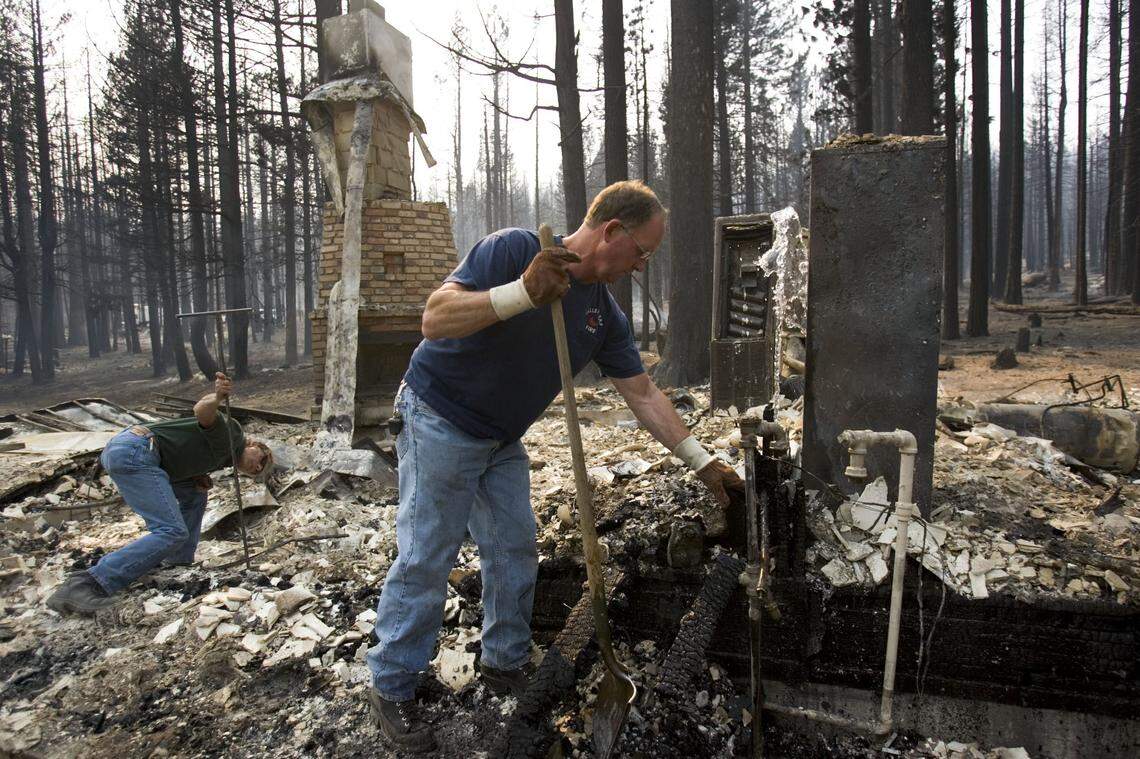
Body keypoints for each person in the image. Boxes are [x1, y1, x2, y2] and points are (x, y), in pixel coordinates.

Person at [365, 180, 743, 752]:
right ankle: (393, 684)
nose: (641, 265)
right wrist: (521, 292)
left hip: (499, 438)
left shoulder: (603, 315)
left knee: (515, 547)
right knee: (428, 554)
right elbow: (435, 319)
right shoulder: (514, 250)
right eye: (641, 251)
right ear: (611, 231)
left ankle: (505, 661)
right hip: (439, 416)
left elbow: (643, 394)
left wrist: (703, 462)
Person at [46, 373, 273, 615]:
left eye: (260, 470)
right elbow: (202, 411)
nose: (257, 467)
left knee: (195, 494)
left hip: (135, 450)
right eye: (262, 458)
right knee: (171, 531)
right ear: (253, 445)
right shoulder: (234, 436)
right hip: (136, 450)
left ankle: (177, 561)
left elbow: (183, 449)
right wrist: (217, 397)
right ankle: (88, 583)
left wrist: (191, 474)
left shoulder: (220, 458)